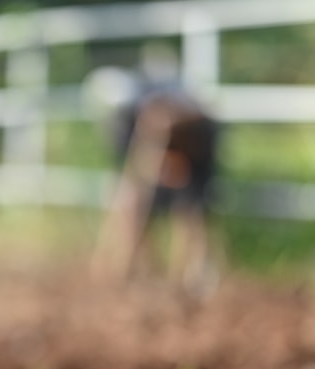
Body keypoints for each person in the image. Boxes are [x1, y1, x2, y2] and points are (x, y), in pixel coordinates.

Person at [90, 45, 219, 293]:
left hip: (193, 155)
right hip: (163, 155)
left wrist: (162, 160)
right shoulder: (127, 119)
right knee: (133, 204)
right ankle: (140, 270)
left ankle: (191, 274)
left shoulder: (177, 114)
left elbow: (167, 144)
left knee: (191, 210)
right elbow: (135, 167)